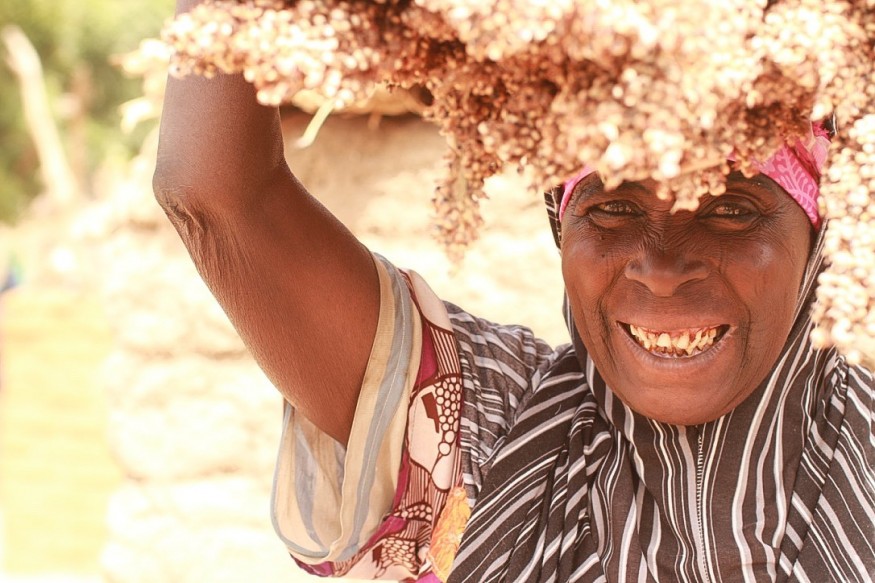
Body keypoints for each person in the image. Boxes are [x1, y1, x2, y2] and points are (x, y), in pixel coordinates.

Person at [154, 1, 874, 580]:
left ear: (817, 234)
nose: (660, 266)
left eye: (730, 209)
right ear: (560, 224)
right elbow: (213, 195)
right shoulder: (478, 429)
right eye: (613, 207)